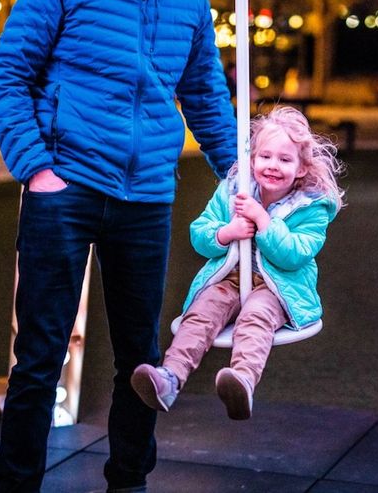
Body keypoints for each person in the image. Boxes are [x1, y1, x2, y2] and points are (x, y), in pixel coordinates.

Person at [0, 0, 237, 493]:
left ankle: (128, 482)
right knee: (39, 358)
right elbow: (10, 73)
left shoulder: (189, 0)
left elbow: (204, 94)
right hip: (64, 190)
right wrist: (35, 169)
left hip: (146, 197)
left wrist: (239, 176)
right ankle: (14, 487)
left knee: (140, 358)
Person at [131, 106, 344, 421]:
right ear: (251, 159)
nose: (272, 165)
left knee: (255, 318)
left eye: (285, 160)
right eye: (265, 157)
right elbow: (199, 234)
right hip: (230, 277)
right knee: (201, 315)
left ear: (300, 169)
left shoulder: (311, 208)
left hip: (277, 287)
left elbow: (295, 255)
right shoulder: (233, 190)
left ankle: (242, 379)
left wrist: (263, 221)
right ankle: (170, 378)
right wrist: (226, 232)